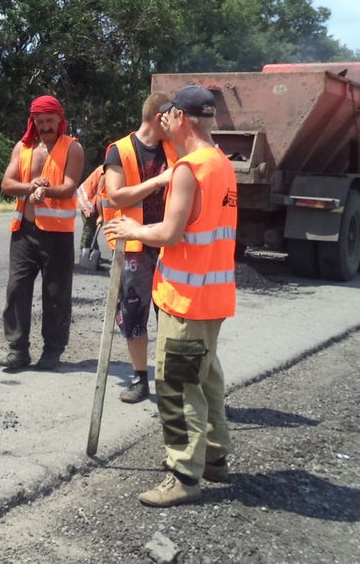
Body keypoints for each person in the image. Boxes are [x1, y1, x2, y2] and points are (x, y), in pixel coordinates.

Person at [104, 85, 237, 507]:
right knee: (207, 379)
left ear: (180, 117)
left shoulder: (189, 169)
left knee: (178, 387)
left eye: (171, 117)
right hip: (214, 298)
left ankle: (183, 474)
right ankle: (215, 459)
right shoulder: (221, 164)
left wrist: (131, 230)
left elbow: (169, 232)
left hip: (186, 299)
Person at [98, 92, 178, 404]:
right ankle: (139, 377)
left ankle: (171, 380)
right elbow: (116, 197)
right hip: (133, 246)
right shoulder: (119, 150)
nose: (175, 121)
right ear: (160, 117)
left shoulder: (173, 148)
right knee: (133, 314)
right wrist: (159, 181)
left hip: (168, 242)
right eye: (171, 115)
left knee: (170, 312)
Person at [0, 95, 85, 371]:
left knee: (56, 293)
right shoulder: (23, 148)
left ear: (60, 118)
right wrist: (30, 187)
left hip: (57, 234)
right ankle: (18, 349)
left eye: (50, 121)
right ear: (33, 121)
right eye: (41, 121)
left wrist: (44, 191)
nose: (46, 127)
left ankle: (52, 350)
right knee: (17, 289)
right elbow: (7, 183)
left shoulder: (73, 148)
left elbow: (70, 187)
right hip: (24, 231)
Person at [76, 163, 105, 267]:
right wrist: (101, 215)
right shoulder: (105, 172)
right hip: (88, 197)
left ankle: (93, 252)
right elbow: (99, 196)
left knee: (92, 228)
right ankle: (84, 253)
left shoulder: (109, 168)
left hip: (90, 195)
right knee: (89, 228)